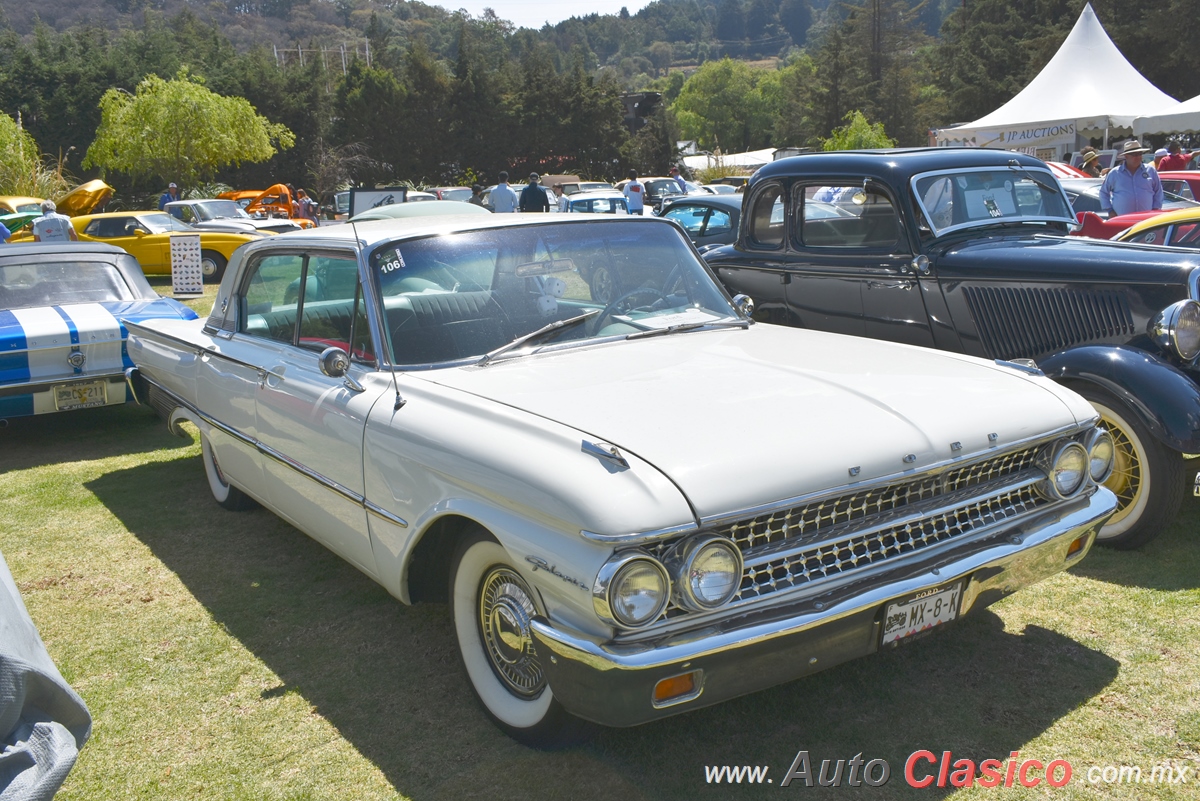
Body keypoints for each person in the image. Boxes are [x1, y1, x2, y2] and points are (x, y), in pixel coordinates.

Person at [1099, 140, 1163, 218]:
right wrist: (1110, 210)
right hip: (1122, 220)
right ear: (1126, 156)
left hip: (1146, 220)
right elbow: (1103, 192)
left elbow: (1158, 192)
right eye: (1134, 154)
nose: (1138, 157)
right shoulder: (1115, 173)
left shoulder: (1150, 171)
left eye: (1140, 154)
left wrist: (1155, 209)